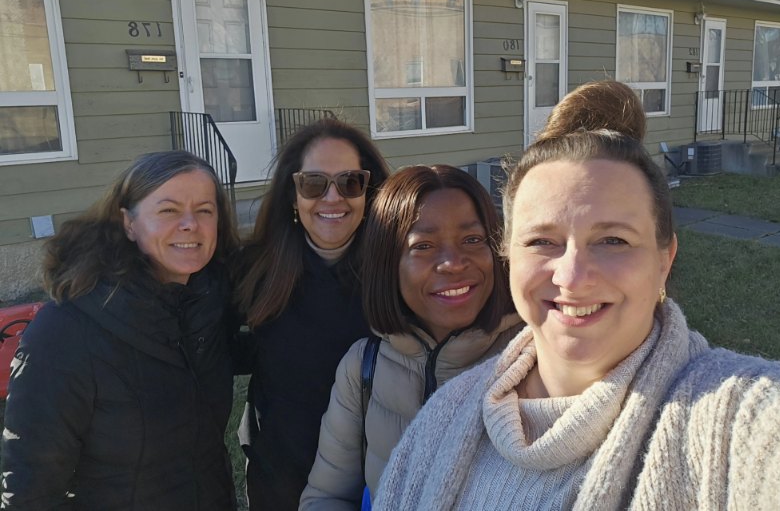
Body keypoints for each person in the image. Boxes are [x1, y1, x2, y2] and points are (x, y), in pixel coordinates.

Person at [373, 81, 780, 510]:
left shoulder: (739, 419)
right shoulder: (446, 413)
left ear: (664, 260)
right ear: (508, 256)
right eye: (542, 241)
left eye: (613, 240)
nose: (572, 277)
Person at [0, 150, 240, 510]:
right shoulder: (65, 331)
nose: (190, 223)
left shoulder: (208, 309)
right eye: (169, 210)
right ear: (128, 223)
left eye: (205, 210)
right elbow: (30, 495)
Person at [300, 165, 523, 509]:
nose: (453, 263)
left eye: (472, 239)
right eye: (424, 246)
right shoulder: (363, 368)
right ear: (388, 263)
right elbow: (327, 497)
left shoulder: (531, 356)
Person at [234, 118, 390, 511]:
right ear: (293, 194)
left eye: (350, 182)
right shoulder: (256, 269)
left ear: (369, 193)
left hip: (372, 484)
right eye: (313, 183)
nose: (332, 197)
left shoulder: (396, 273)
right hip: (279, 478)